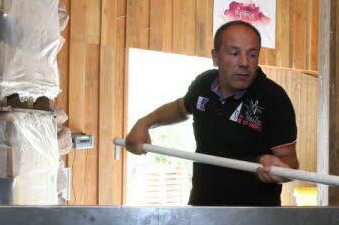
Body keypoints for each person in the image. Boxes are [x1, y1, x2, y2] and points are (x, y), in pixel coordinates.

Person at [124, 20, 298, 206]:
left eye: (252, 54)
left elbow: (291, 163)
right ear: (215, 57)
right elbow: (181, 108)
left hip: (254, 215)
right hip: (202, 207)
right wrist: (145, 123)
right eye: (234, 53)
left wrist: (281, 171)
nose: (244, 63)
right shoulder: (203, 84)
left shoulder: (274, 98)